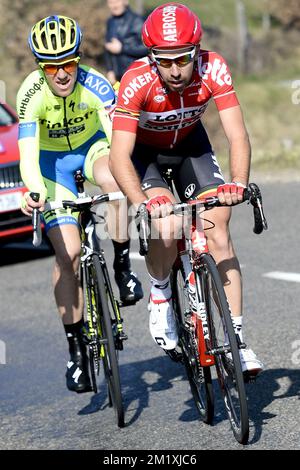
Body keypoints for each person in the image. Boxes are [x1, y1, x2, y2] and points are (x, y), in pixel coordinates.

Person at [109, 3, 263, 376]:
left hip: (192, 147)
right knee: (166, 225)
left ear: (196, 52)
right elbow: (118, 157)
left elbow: (237, 134)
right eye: (165, 61)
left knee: (219, 229)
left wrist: (238, 183)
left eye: (183, 59)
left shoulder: (214, 67)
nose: (176, 71)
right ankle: (161, 291)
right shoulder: (136, 80)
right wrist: (141, 202)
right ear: (151, 57)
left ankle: (237, 342)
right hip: (146, 155)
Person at [17, 15, 143, 393]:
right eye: (51, 66)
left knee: (115, 179)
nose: (61, 73)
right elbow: (27, 154)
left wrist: (128, 175)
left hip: (92, 150)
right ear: (42, 67)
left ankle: (122, 268)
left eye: (68, 63)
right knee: (69, 255)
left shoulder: (96, 84)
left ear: (77, 58)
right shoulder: (30, 93)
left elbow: (116, 136)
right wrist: (34, 190)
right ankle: (76, 353)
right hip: (51, 167)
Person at [104, 0, 147, 85]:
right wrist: (110, 70)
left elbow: (147, 48)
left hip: (137, 76)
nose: (114, 6)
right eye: (111, 3)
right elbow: (108, 47)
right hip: (117, 78)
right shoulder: (110, 22)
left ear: (126, 2)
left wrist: (122, 48)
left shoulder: (138, 21)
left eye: (117, 2)